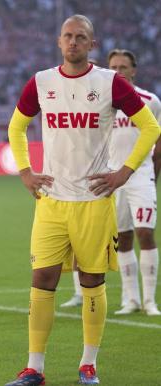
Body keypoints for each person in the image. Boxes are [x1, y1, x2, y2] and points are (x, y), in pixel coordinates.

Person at [5, 15, 160, 386]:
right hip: (51, 201)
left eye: (81, 37)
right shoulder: (41, 82)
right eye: (68, 36)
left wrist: (124, 172)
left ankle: (88, 366)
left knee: (91, 281)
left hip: (94, 202)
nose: (73, 42)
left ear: (92, 45)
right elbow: (16, 126)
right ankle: (34, 369)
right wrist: (25, 171)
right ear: (59, 42)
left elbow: (151, 127)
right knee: (41, 279)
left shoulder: (109, 82)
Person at [107, 49, 161, 316]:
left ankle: (150, 300)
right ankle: (132, 299)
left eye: (123, 67)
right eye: (113, 67)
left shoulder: (150, 101)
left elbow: (158, 145)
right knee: (124, 238)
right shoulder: (103, 103)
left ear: (133, 70)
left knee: (145, 232)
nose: (118, 72)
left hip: (141, 176)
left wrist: (153, 178)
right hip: (113, 179)